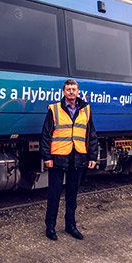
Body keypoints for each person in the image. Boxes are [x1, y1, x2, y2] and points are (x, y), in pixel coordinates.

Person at [40, 79, 98, 241]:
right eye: (68, 89)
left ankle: (70, 225)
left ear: (78, 92)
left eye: (74, 89)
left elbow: (91, 134)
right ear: (63, 92)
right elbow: (46, 134)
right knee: (54, 193)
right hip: (58, 156)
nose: (71, 92)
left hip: (78, 156)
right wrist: (47, 157)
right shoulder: (55, 109)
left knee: (72, 194)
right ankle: (50, 226)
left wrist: (92, 156)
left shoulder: (86, 110)